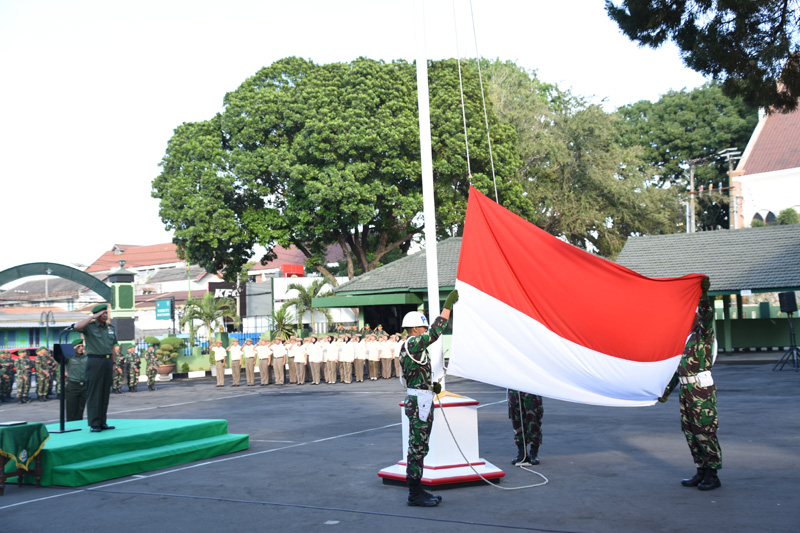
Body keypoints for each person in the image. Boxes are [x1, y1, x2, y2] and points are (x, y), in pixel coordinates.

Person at [659, 277, 722, 491]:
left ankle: (712, 473)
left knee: (704, 430)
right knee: (690, 430)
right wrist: (666, 391)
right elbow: (677, 371)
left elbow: (707, 315)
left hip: (701, 390)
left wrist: (703, 295)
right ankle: (700, 470)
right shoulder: (682, 340)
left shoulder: (704, 334)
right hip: (686, 389)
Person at [400, 289, 458, 507]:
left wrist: (429, 385)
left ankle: (417, 489)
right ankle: (414, 493)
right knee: (417, 447)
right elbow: (435, 332)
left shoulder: (413, 347)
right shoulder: (412, 343)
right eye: (422, 328)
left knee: (421, 446)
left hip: (421, 399)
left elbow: (413, 374)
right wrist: (447, 307)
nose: (425, 332)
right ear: (415, 329)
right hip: (419, 403)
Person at [75, 303, 120, 432]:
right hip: (94, 360)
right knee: (95, 392)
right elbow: (77, 327)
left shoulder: (110, 328)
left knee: (105, 393)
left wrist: (114, 363)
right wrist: (92, 317)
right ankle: (94, 423)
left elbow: (112, 347)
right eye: (102, 313)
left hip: (107, 361)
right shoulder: (89, 327)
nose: (105, 315)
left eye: (106, 313)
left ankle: (102, 422)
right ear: (97, 315)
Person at [508, 389, 543, 466]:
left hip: (531, 388)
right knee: (516, 420)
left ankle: (533, 453)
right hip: (514, 387)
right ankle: (522, 453)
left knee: (533, 420)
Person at [65, 338, 88, 421]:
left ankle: (79, 425)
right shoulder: (69, 357)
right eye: (78, 346)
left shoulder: (86, 358)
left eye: (82, 346)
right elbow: (58, 358)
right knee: (71, 410)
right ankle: (70, 425)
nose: (81, 348)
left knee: (80, 409)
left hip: (84, 386)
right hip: (73, 385)